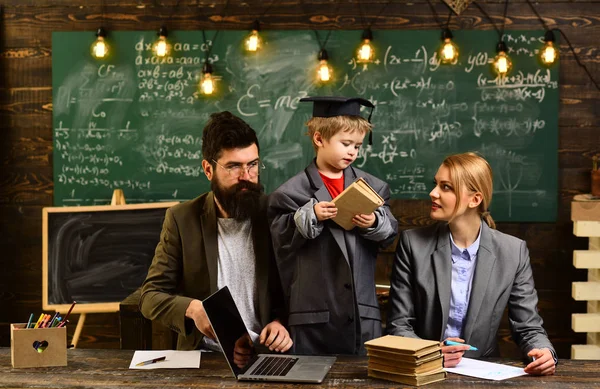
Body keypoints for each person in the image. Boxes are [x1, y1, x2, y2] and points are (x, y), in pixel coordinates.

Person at [140, 111, 292, 363]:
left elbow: (299, 288)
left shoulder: (277, 214)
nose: (246, 176)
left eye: (252, 164)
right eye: (233, 166)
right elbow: (150, 297)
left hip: (267, 356)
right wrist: (193, 309)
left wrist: (281, 322)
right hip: (204, 358)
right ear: (208, 169)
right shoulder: (181, 219)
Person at [386, 152, 556, 375]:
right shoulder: (413, 244)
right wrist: (431, 353)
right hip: (425, 370)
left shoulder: (513, 252)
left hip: (483, 373)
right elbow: (399, 325)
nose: (433, 193)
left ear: (475, 199)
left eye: (446, 187)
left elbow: (528, 326)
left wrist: (542, 351)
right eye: (435, 184)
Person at [268, 96, 398, 355]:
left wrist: (373, 222)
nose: (353, 151)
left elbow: (390, 232)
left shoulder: (374, 187)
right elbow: (279, 241)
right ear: (319, 139)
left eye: (358, 146)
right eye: (346, 143)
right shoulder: (289, 193)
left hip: (362, 316)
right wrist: (311, 214)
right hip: (313, 321)